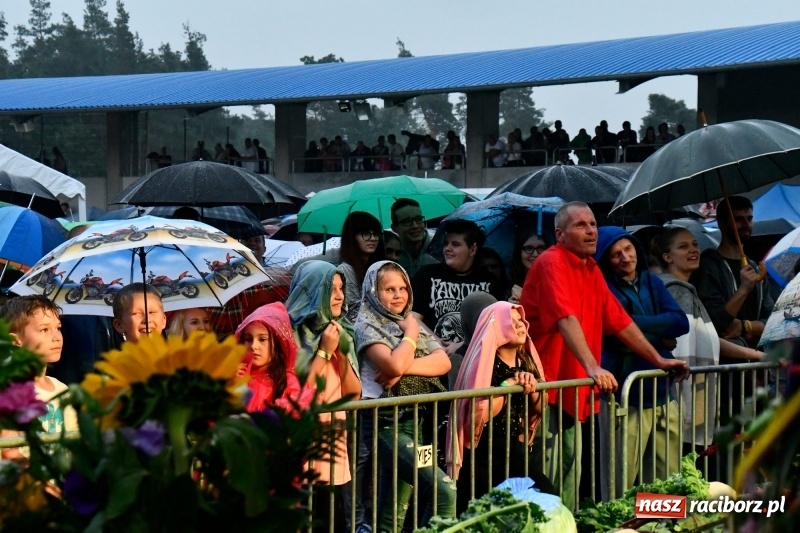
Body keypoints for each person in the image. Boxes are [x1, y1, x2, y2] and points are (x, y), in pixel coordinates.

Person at [519, 202, 689, 509]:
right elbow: (565, 318)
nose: (590, 230)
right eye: (580, 225)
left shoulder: (591, 268)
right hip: (547, 387)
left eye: (593, 224)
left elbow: (620, 321)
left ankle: (569, 525)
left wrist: (659, 360)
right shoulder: (551, 261)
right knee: (549, 476)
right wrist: (593, 366)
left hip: (572, 388)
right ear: (559, 234)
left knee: (569, 473)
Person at [354, 261, 455, 530]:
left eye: (403, 288)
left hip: (417, 423)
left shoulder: (408, 318)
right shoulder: (367, 324)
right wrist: (410, 334)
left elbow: (443, 362)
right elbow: (393, 365)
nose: (399, 295)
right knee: (444, 492)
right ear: (374, 292)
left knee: (392, 515)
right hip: (386, 424)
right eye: (389, 289)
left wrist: (401, 369)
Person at [594, 226, 689, 498]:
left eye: (628, 249)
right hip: (626, 399)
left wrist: (630, 324)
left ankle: (661, 522)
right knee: (621, 485)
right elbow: (612, 333)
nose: (625, 257)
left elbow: (680, 322)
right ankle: (624, 522)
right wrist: (660, 337)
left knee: (667, 483)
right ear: (605, 260)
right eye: (616, 254)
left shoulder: (652, 281)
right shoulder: (604, 288)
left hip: (663, 394)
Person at [690, 196, 771, 476]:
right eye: (738, 219)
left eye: (749, 218)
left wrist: (746, 325)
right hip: (722, 372)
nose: (746, 225)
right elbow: (717, 324)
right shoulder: (709, 265)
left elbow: (771, 319)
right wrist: (743, 289)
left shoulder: (757, 267)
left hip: (754, 369)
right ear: (724, 223)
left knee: (752, 436)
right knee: (724, 438)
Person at [448, 301, 555, 512]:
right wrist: (509, 386)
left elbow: (540, 408)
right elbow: (482, 414)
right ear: (497, 327)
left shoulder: (526, 362)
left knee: (547, 498)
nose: (521, 325)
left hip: (513, 451)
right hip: (483, 456)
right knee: (481, 515)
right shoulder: (484, 364)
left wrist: (532, 386)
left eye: (521, 320)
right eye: (512, 322)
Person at [285, 261, 361, 530]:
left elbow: (353, 395)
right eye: (331, 290)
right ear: (314, 291)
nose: (340, 296)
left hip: (331, 447)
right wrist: (324, 352)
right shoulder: (287, 335)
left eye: (341, 288)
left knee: (330, 521)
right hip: (298, 446)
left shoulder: (341, 332)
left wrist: (340, 351)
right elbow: (298, 393)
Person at [0, 296, 79, 460]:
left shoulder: (62, 389)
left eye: (58, 328)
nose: (57, 337)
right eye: (44, 330)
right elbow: (10, 452)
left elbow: (75, 441)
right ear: (15, 341)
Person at [411, 219, 505, 349]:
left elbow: (495, 326)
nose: (447, 249)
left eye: (455, 244)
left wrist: (463, 346)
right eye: (446, 243)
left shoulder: (490, 282)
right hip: (433, 353)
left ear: (473, 249)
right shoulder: (426, 275)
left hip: (473, 354)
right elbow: (413, 318)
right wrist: (438, 344)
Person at [235, 303, 301, 412]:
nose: (254, 346)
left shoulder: (289, 382)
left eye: (262, 339)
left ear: (278, 342)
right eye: (248, 339)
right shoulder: (236, 375)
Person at [338, 211, 386, 323]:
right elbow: (353, 312)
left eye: (375, 234)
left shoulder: (378, 267)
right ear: (352, 237)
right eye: (366, 233)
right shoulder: (345, 270)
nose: (373, 238)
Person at [390, 198, 439, 277]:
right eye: (407, 221)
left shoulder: (439, 250)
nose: (415, 226)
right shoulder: (391, 255)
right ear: (395, 228)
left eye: (418, 219)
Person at [510, 232, 549, 304]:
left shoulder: (555, 281)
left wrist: (525, 298)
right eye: (528, 248)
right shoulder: (509, 281)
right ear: (519, 252)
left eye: (540, 248)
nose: (535, 254)